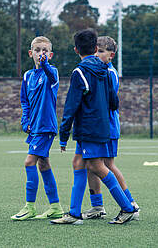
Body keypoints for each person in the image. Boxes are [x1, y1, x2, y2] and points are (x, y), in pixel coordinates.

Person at [50, 29, 138, 225]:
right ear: (96, 48)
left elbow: (71, 106)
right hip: (101, 127)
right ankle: (73, 212)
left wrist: (63, 135)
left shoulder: (79, 72)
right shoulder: (106, 70)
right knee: (78, 163)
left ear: (75, 50)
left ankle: (127, 207)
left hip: (89, 128)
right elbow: (114, 102)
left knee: (96, 166)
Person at [81, 36, 139, 220]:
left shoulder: (109, 73)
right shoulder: (98, 70)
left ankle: (130, 203)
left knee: (107, 165)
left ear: (111, 55)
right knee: (90, 164)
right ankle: (97, 206)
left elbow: (108, 101)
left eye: (100, 51)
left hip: (108, 127)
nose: (96, 54)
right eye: (95, 50)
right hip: (98, 127)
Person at [11, 36, 63, 221]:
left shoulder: (53, 73)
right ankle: (56, 207)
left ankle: (29, 207)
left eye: (45, 51)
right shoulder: (27, 76)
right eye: (37, 50)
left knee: (29, 162)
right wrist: (25, 121)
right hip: (34, 128)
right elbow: (24, 101)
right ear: (30, 53)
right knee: (43, 164)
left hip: (45, 126)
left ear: (50, 54)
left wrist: (45, 64)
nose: (41, 53)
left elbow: (50, 73)